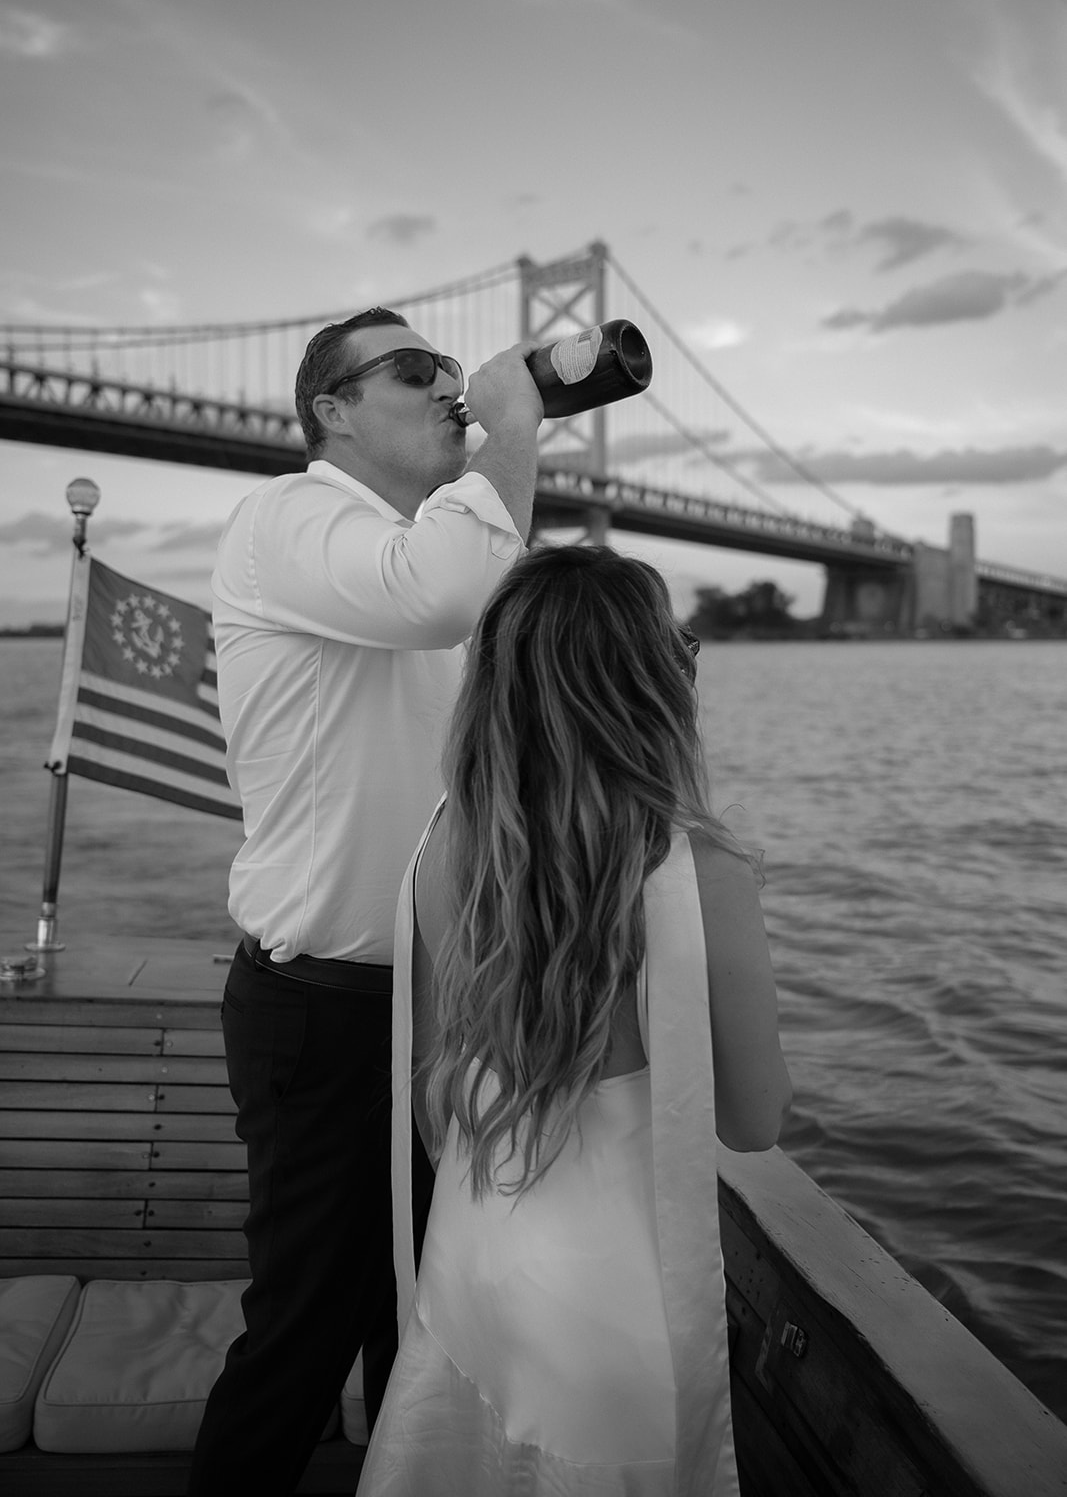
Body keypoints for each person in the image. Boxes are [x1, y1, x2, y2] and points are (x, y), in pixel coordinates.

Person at [187, 307, 542, 1497]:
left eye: (451, 368)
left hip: (448, 1003)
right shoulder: (284, 521)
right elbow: (437, 596)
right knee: (305, 1327)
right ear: (331, 409)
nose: (448, 384)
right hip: (327, 1007)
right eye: (413, 370)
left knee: (425, 1327)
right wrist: (517, 424)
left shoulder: (426, 551)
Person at [358, 544, 793, 1496]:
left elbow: (433, 1101)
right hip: (612, 1313)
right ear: (653, 686)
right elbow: (753, 1122)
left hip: (475, 1270)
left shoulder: (444, 852)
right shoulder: (702, 879)